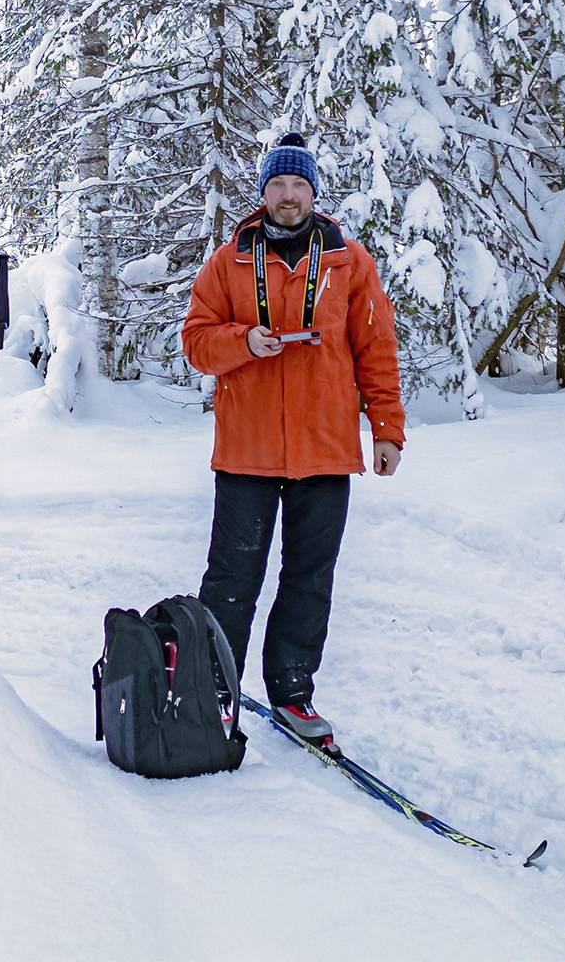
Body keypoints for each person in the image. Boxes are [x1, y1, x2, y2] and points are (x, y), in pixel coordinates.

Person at [180, 133, 406, 742]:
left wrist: (386, 430)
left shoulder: (349, 262)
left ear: (313, 193)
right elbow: (196, 342)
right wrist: (243, 343)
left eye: (298, 186)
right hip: (247, 451)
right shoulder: (229, 261)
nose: (288, 196)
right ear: (264, 193)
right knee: (232, 578)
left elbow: (376, 351)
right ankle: (214, 691)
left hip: (326, 449)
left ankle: (293, 693)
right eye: (277, 185)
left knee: (309, 577)